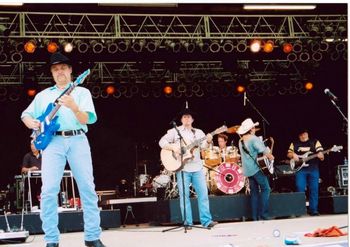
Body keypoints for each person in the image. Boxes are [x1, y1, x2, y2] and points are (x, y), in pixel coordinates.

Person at [21, 52, 106, 247]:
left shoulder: (81, 92)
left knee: (87, 188)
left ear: (70, 71)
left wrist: (74, 107)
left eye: (63, 68)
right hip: (53, 143)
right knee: (49, 190)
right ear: (52, 73)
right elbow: (25, 114)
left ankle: (92, 237)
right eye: (55, 69)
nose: (60, 71)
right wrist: (30, 122)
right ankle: (51, 239)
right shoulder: (43, 96)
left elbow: (88, 120)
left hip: (77, 139)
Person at [159, 107, 218, 229]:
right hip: (183, 168)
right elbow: (162, 142)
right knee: (184, 196)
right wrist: (174, 148)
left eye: (189, 117)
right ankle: (188, 222)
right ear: (181, 119)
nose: (186, 119)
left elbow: (204, 147)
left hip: (197, 167)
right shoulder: (174, 132)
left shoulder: (199, 132)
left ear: (192, 119)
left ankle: (206, 221)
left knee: (203, 194)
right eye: (184, 117)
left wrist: (208, 141)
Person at [237, 118, 274, 221]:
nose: (254, 129)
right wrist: (271, 156)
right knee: (266, 189)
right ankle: (264, 215)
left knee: (254, 193)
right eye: (253, 127)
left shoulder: (240, 141)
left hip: (247, 171)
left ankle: (255, 217)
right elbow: (263, 150)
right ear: (251, 128)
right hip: (256, 169)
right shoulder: (253, 138)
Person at [287, 129, 324, 216]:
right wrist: (293, 155)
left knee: (314, 189)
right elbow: (288, 153)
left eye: (305, 134)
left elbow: (321, 155)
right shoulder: (294, 143)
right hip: (300, 170)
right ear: (299, 135)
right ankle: (300, 210)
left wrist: (321, 156)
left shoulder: (315, 142)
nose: (303, 136)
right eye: (301, 134)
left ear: (307, 134)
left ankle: (313, 210)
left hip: (313, 169)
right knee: (299, 188)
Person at [21, 140, 42, 207]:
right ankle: (33, 205)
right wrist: (31, 169)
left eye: (34, 145)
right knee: (32, 189)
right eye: (31, 145)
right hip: (31, 181)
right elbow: (23, 170)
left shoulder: (43, 156)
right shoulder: (28, 156)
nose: (32, 147)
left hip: (42, 179)